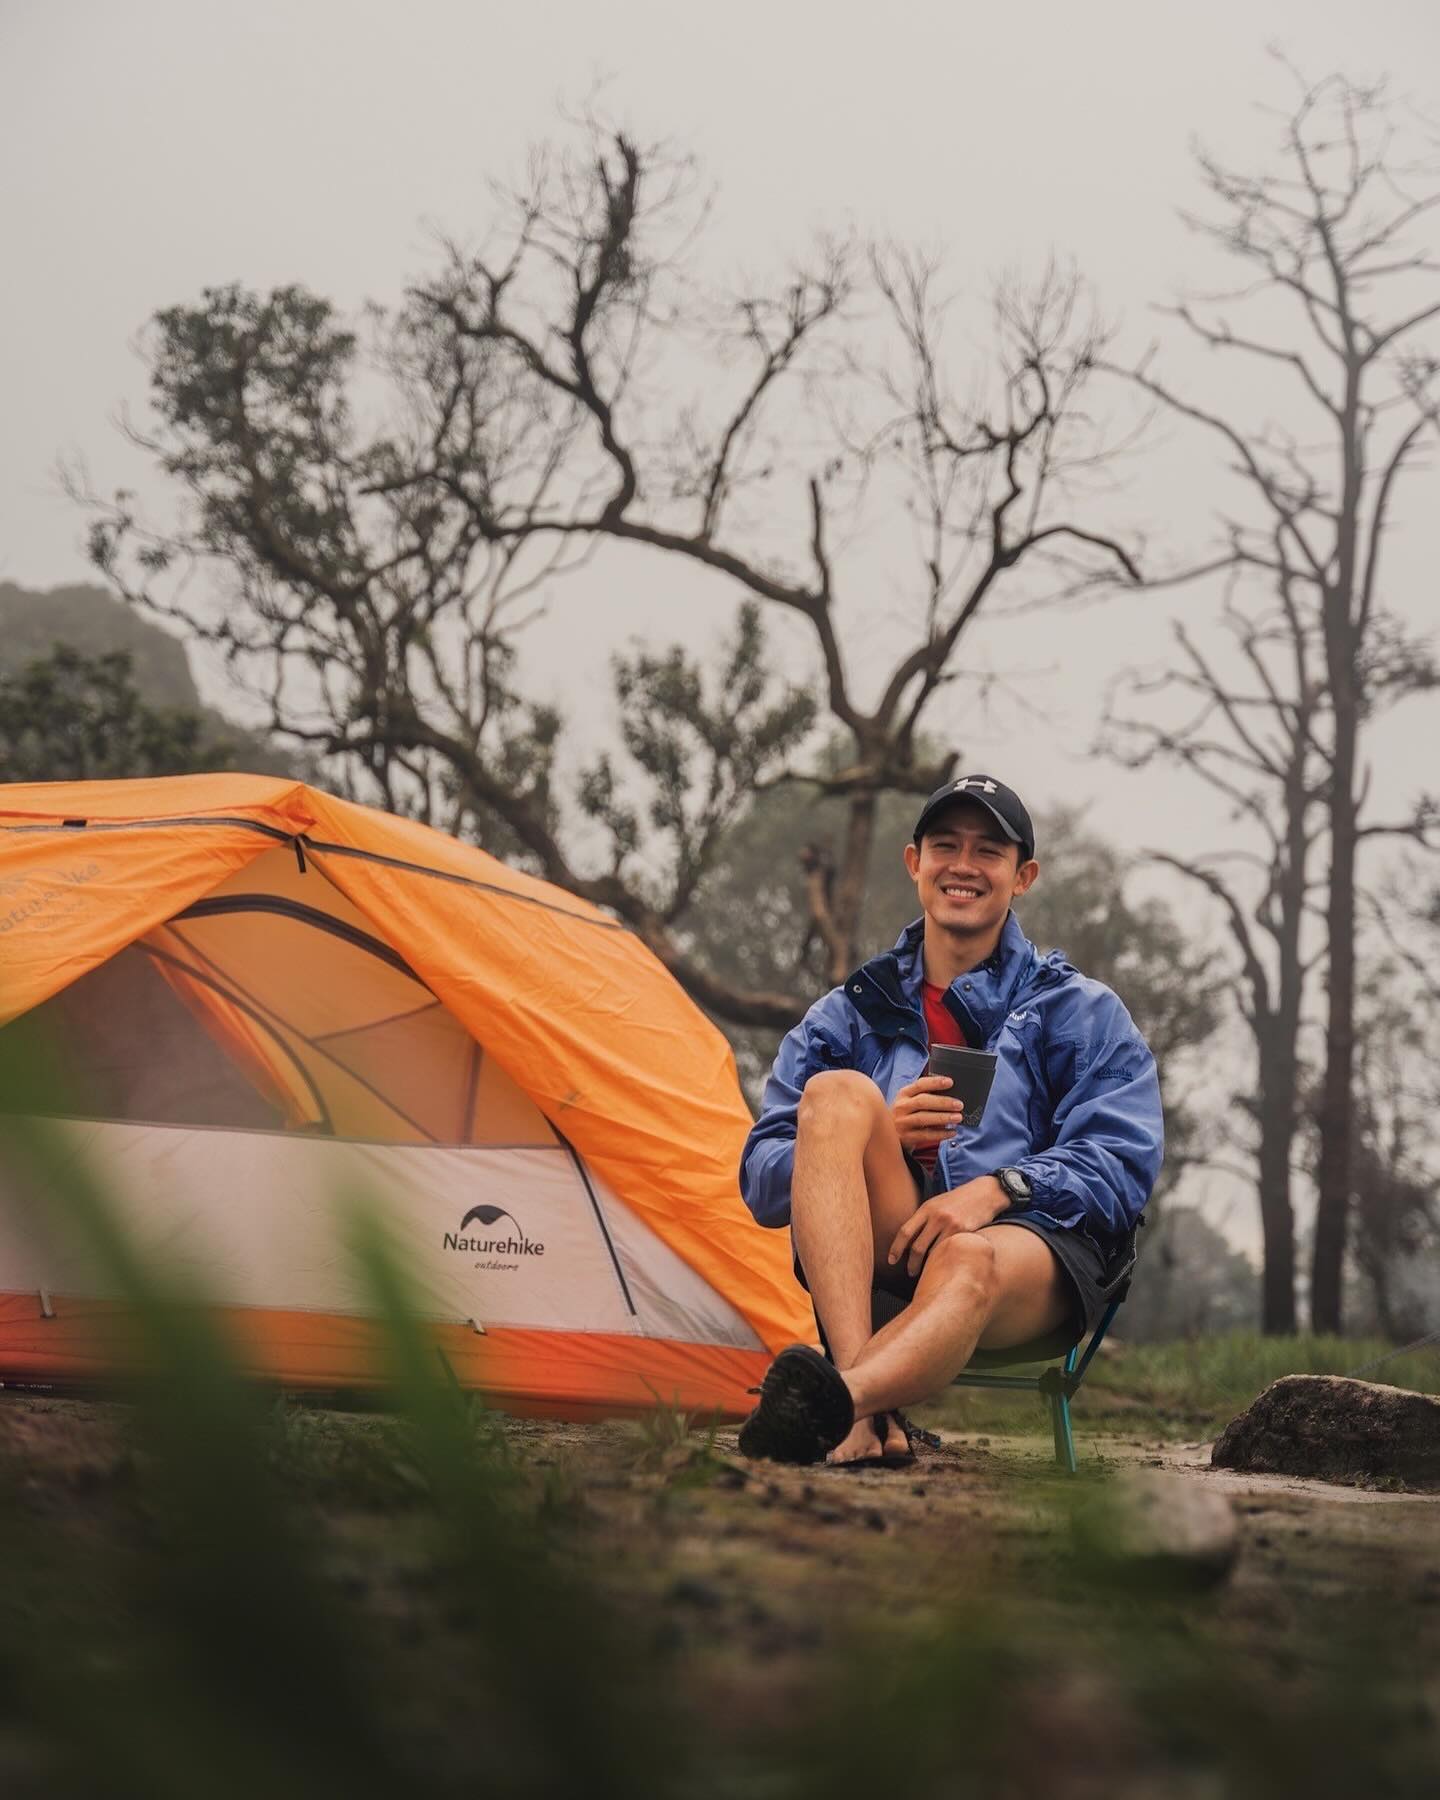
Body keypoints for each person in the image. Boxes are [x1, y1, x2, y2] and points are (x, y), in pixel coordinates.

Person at [736, 773, 1164, 1466]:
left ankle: (838, 1402)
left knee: (970, 1252)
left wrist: (1001, 1189)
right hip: (895, 1249)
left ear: (1022, 876)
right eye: (945, 845)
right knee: (837, 1096)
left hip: (1031, 1261)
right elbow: (760, 1179)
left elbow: (1122, 1162)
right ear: (915, 863)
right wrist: (872, 1139)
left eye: (988, 850)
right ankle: (862, 1407)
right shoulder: (850, 1013)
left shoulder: (1080, 1012)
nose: (963, 865)